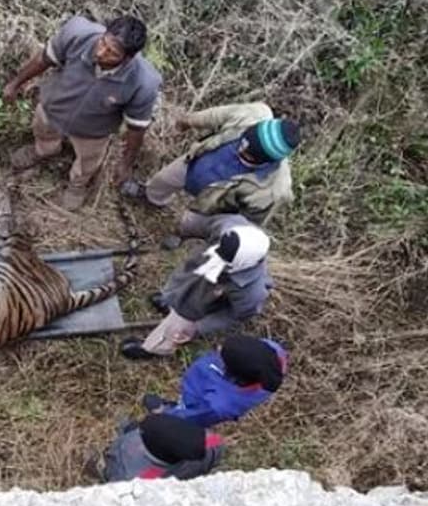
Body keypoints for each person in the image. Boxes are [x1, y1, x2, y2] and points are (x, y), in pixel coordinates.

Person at [2, 14, 162, 211]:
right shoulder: (77, 33)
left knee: (88, 161)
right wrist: (15, 83)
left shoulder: (144, 82)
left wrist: (126, 164)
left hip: (93, 130)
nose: (101, 53)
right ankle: (42, 151)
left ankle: (77, 184)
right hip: (53, 106)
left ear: (128, 58)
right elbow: (44, 59)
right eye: (103, 43)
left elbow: (137, 128)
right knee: (43, 132)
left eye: (112, 52)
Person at [129, 101, 299, 240]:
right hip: (196, 164)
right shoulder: (253, 114)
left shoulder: (274, 190)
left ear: (266, 160)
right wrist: (187, 121)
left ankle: (180, 236)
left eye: (248, 153)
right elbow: (216, 115)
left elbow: (249, 223)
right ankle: (151, 197)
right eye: (243, 141)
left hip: (216, 203)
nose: (241, 149)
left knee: (191, 223)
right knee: (163, 180)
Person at [120, 216, 273, 359]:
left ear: (242, 263)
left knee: (178, 328)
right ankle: (170, 302)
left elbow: (235, 315)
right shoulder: (230, 225)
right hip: (195, 274)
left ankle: (156, 347)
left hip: (204, 302)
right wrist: (181, 234)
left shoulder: (250, 291)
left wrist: (199, 326)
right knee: (179, 286)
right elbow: (203, 225)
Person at [139, 335, 288, 428]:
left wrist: (167, 418)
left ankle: (168, 411)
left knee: (188, 411)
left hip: (197, 398)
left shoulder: (218, 405)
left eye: (222, 353)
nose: (219, 347)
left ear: (231, 373)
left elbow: (194, 418)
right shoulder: (274, 351)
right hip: (207, 375)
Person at [97, 411, 225, 482]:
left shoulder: (136, 478)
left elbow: (121, 485)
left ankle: (102, 471)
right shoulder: (212, 443)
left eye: (141, 433)